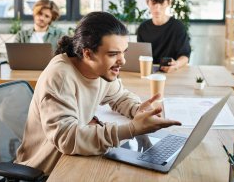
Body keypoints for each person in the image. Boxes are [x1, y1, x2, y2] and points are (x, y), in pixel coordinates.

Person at [15, 12, 181, 175]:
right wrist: (131, 129)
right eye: (113, 54)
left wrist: (139, 111)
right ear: (88, 53)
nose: (122, 60)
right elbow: (67, 138)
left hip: (76, 159)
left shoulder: (100, 70)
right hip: (47, 169)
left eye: (124, 52)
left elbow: (120, 96)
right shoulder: (60, 76)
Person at [137, 0, 191, 73]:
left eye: (161, 3)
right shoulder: (143, 28)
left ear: (169, 2)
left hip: (172, 72)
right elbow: (141, 55)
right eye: (154, 3)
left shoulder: (178, 27)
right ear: (147, 2)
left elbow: (185, 56)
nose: (157, 9)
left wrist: (176, 64)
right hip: (148, 72)